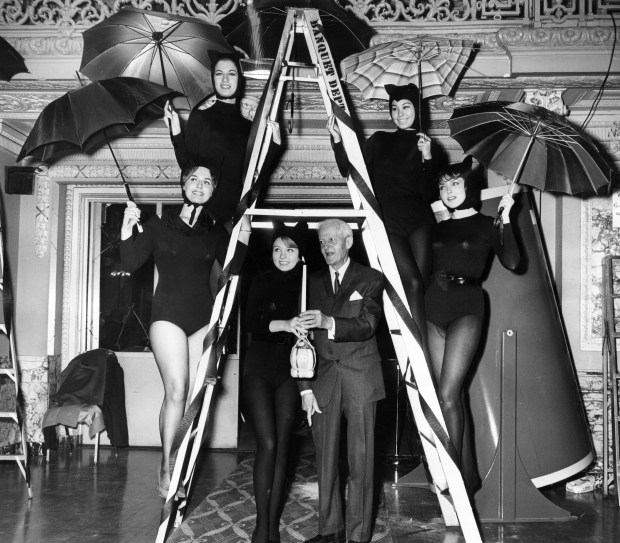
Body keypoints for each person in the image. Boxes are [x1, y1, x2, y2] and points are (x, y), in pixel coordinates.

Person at [119, 163, 250, 498]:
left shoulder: (216, 232)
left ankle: (181, 463)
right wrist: (126, 227)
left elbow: (233, 272)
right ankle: (168, 465)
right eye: (194, 178)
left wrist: (244, 237)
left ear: (212, 191)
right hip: (167, 317)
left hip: (202, 319)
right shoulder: (158, 226)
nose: (200, 185)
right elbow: (131, 262)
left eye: (207, 181)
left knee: (194, 397)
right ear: (183, 183)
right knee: (176, 390)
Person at [425, 157, 520, 491]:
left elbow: (512, 261)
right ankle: (468, 475)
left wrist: (506, 220)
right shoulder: (436, 227)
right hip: (433, 306)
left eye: (455, 183)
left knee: (449, 394)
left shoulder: (486, 224)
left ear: (469, 187)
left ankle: (453, 476)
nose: (448, 190)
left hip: (467, 306)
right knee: (446, 396)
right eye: (443, 185)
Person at [327, 83, 437, 360]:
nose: (399, 114)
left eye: (406, 107)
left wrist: (428, 158)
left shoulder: (426, 145)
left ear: (417, 109)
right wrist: (337, 140)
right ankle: (419, 354)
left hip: (420, 221)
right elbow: (349, 169)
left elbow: (428, 194)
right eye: (394, 108)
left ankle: (420, 353)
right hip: (389, 221)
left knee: (420, 287)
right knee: (410, 283)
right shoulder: (379, 140)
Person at [298, 219, 384, 543]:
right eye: (321, 242)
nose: (326, 247)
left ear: (348, 240)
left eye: (332, 239)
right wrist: (304, 386)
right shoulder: (312, 282)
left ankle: (359, 536)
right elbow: (302, 339)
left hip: (361, 377)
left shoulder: (371, 278)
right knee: (325, 461)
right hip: (323, 381)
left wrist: (328, 321)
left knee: (361, 462)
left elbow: (367, 324)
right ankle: (330, 530)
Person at [242, 221, 309, 543]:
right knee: (267, 443)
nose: (283, 256)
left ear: (300, 253)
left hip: (291, 368)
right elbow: (251, 322)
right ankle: (261, 527)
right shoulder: (261, 279)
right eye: (277, 250)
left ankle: (271, 527)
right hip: (259, 363)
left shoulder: (311, 283)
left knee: (282, 446)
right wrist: (284, 323)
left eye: (290, 249)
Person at [164, 50, 252, 223]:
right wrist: (176, 131)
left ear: (240, 79)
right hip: (202, 214)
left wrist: (274, 143)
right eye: (219, 74)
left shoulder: (249, 127)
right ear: (213, 79)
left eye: (231, 74)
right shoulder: (200, 117)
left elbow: (252, 173)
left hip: (234, 216)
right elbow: (187, 167)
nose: (225, 79)